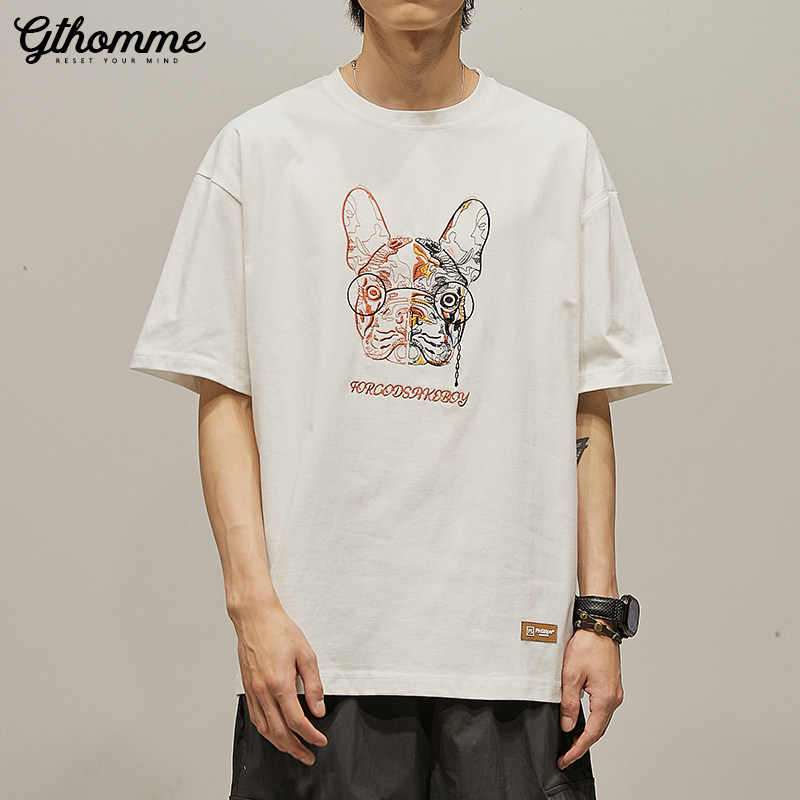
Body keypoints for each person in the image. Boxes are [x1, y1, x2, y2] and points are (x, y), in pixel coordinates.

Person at [129, 1, 673, 797]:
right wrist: (252, 608)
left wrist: (597, 618)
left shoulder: (556, 154)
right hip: (317, 651)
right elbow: (223, 392)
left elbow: (586, 401)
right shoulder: (261, 149)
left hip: (511, 650)